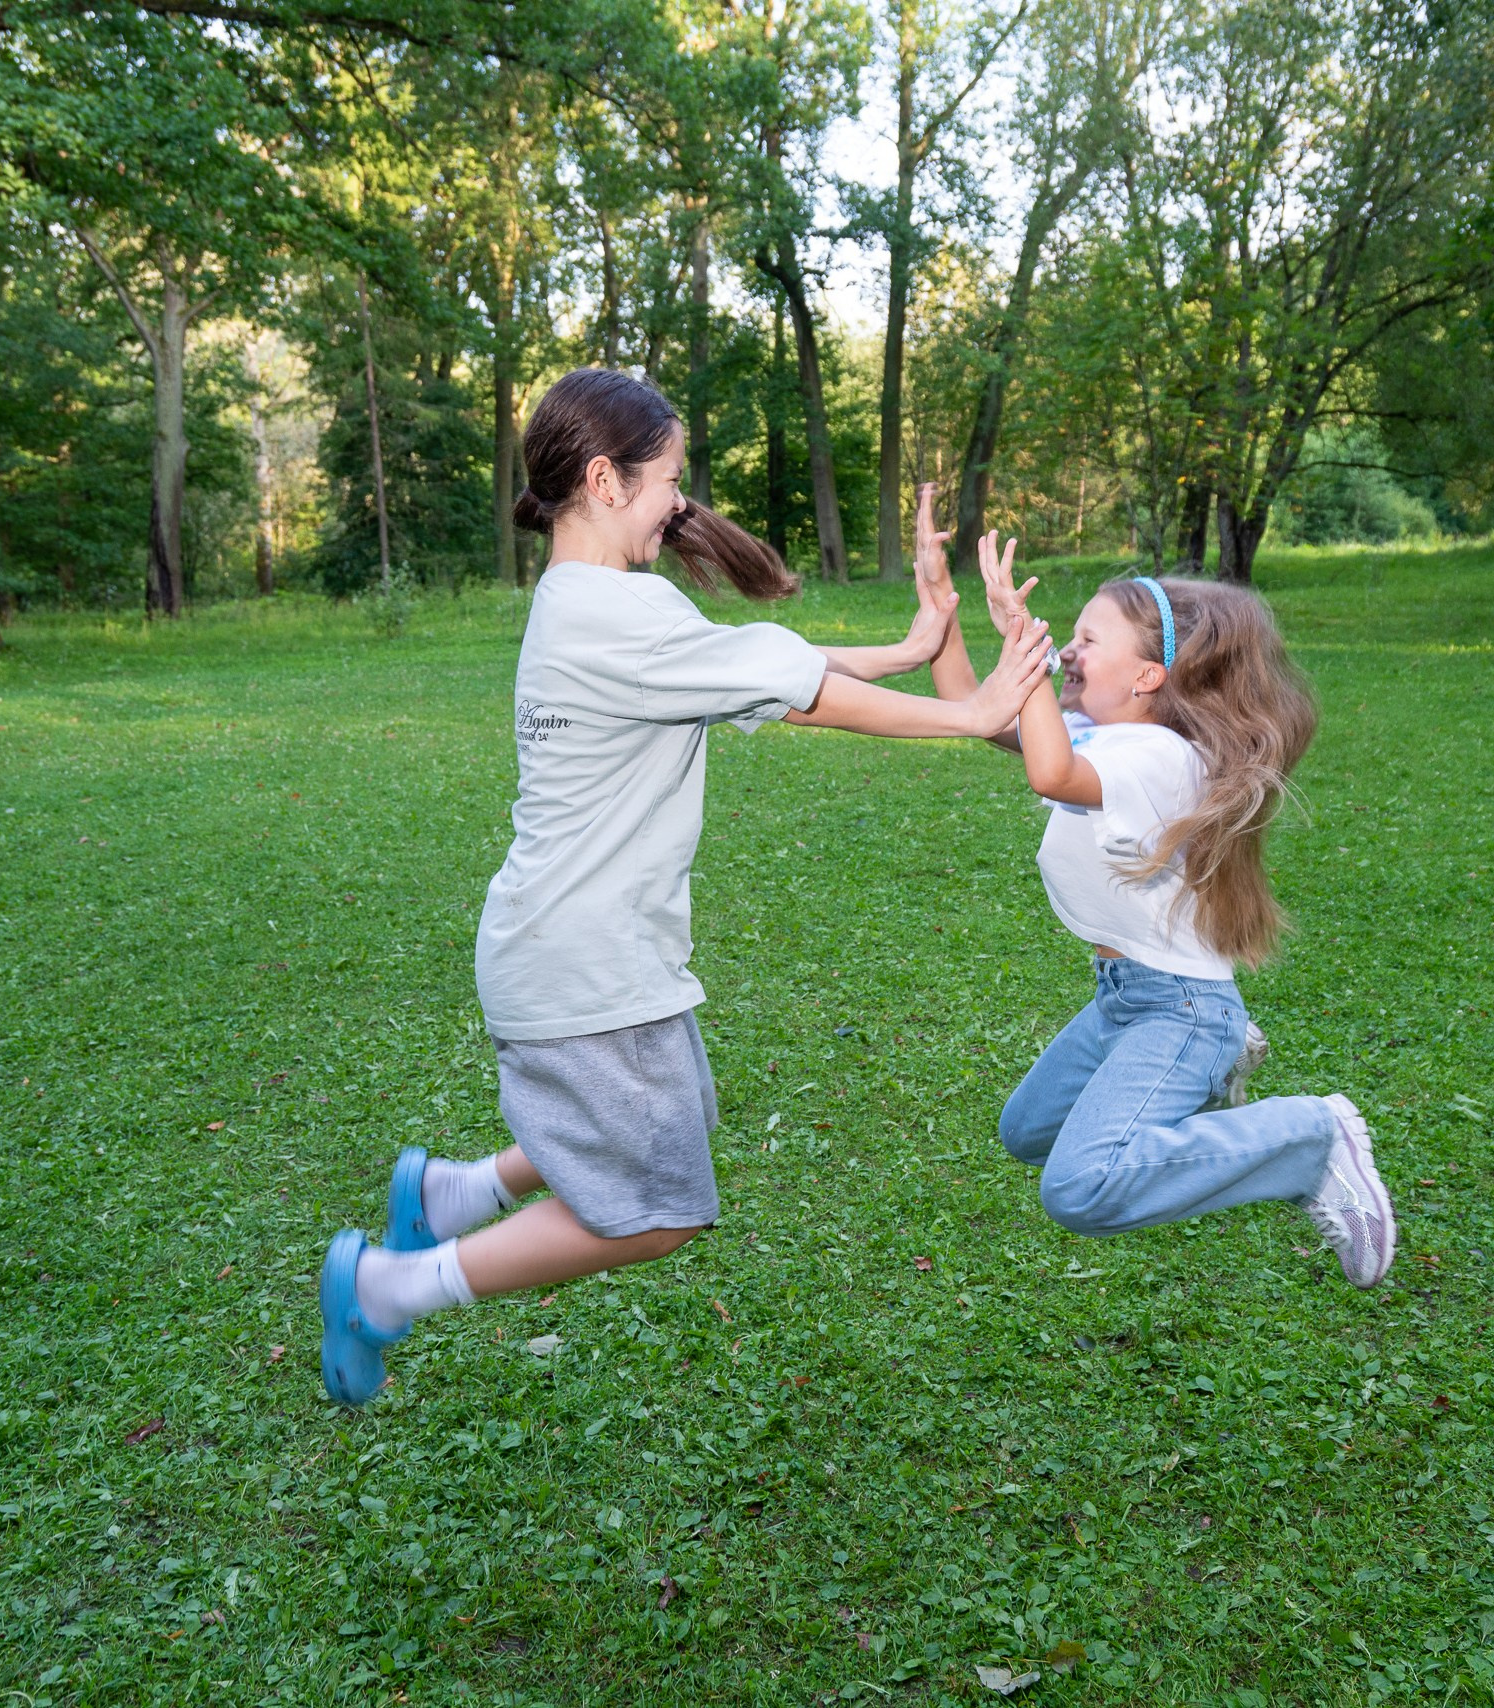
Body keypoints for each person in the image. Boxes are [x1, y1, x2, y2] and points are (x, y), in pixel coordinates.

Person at [318, 368, 1053, 1407]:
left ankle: (454, 1190)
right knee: (657, 1211)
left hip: (585, 953)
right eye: (670, 480)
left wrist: (907, 650)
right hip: (581, 965)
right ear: (607, 481)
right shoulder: (610, 614)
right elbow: (791, 690)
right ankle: (391, 1286)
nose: (682, 502)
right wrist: (968, 716)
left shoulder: (598, 604)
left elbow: (748, 661)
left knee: (671, 1121)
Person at [915, 495, 1396, 1288]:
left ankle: (1310, 1135)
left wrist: (1023, 644)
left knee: (1080, 1185)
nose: (1066, 650)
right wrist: (940, 602)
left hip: (1179, 1005)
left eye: (1085, 640)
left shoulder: (1160, 757)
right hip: (1126, 997)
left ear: (1149, 674)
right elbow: (975, 711)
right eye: (1064, 638)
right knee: (1028, 1130)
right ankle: (1214, 1069)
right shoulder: (1111, 736)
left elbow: (1049, 772)